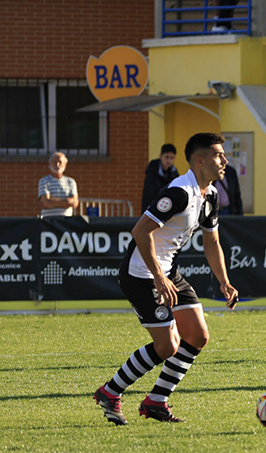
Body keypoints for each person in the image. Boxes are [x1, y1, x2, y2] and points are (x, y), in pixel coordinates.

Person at [92, 134, 239, 426]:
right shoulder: (179, 192)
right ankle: (110, 392)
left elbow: (212, 242)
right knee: (167, 346)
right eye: (218, 155)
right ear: (200, 161)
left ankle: (156, 401)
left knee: (197, 335)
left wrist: (224, 280)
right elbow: (140, 231)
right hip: (142, 275)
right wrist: (158, 277)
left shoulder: (210, 195)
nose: (224, 160)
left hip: (168, 273)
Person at [38, 152, 78, 218]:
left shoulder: (71, 182)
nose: (57, 164)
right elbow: (45, 202)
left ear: (65, 164)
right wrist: (67, 202)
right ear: (49, 163)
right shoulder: (44, 181)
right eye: (55, 162)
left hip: (67, 220)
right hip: (49, 220)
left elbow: (75, 202)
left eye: (60, 162)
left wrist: (52, 202)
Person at [141, 144, 179, 213]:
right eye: (166, 157)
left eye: (171, 158)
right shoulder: (152, 170)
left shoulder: (174, 173)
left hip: (166, 207)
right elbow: (150, 191)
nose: (169, 160)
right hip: (151, 206)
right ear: (160, 156)